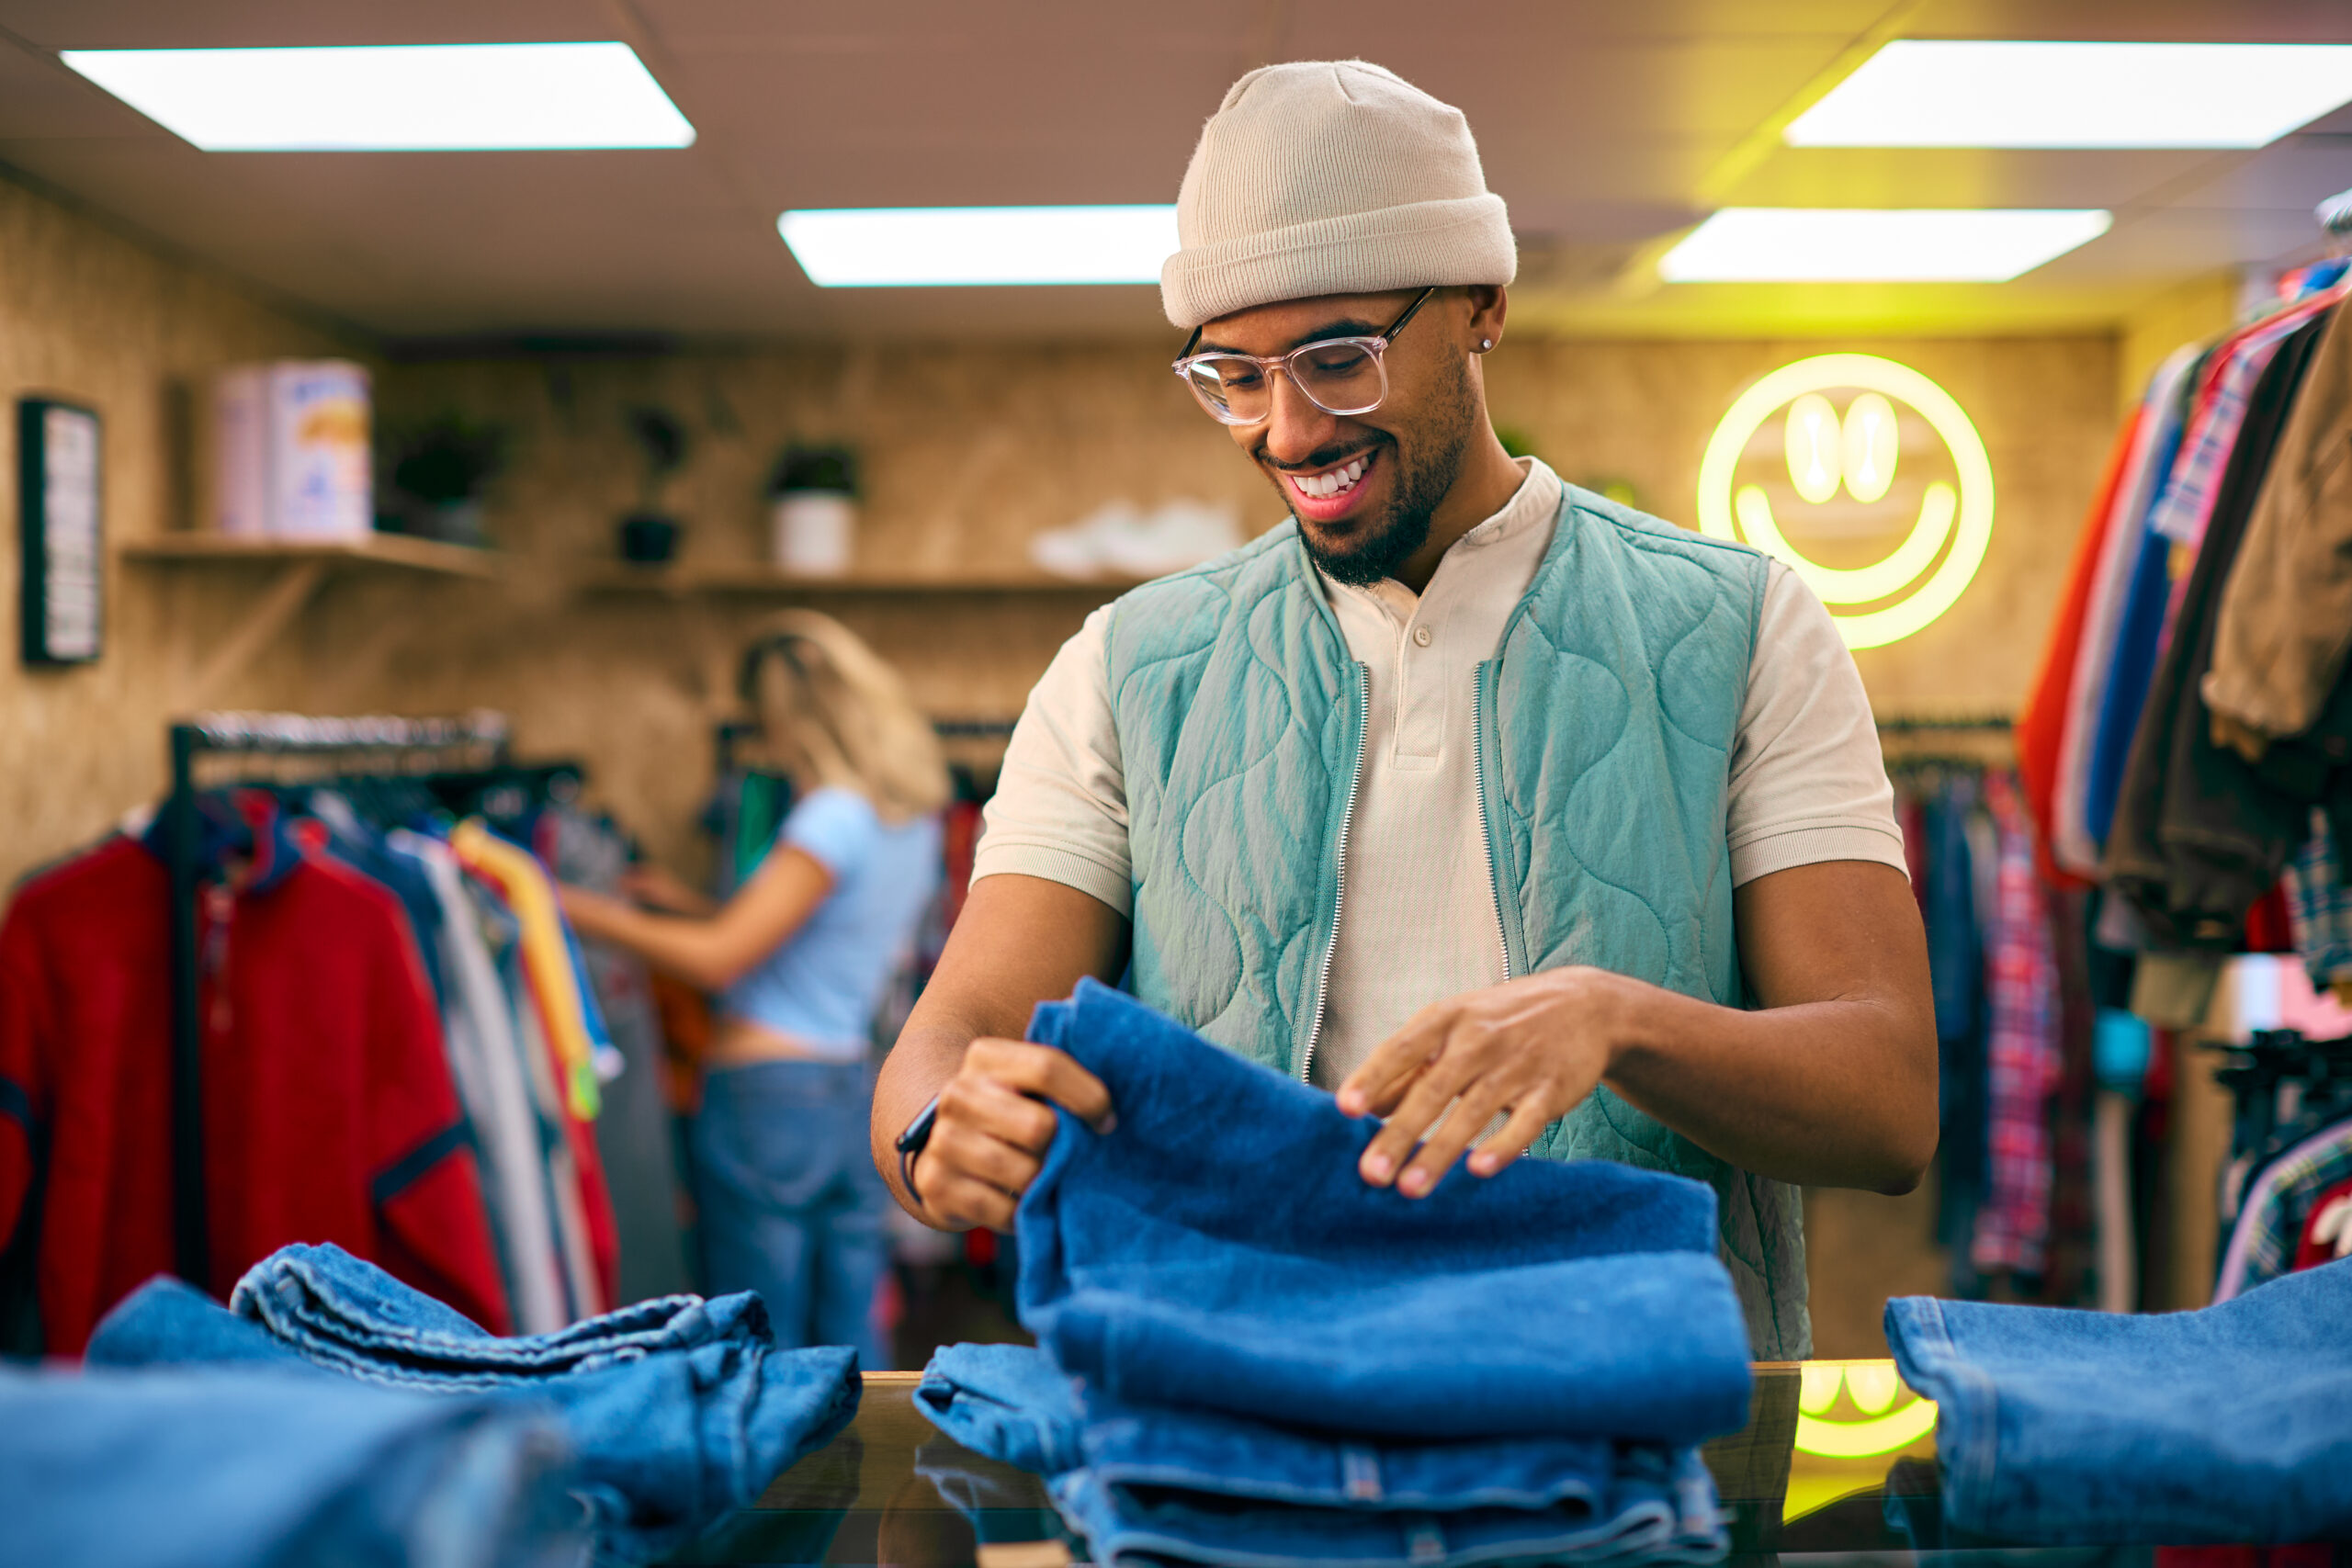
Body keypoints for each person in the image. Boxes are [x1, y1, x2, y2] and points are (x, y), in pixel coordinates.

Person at [871, 60, 1938, 1359]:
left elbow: (1887, 1101)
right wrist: (943, 1126)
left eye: (1338, 358)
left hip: (1625, 1436)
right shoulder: (1123, 666)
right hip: (1236, 1433)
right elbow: (956, 1029)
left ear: (1483, 304)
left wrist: (1619, 1018)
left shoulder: (1743, 624)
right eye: (1234, 377)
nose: (1289, 429)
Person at [561, 610, 946, 1368]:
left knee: (760, 1347)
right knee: (852, 1344)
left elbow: (717, 960)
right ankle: (862, 1484)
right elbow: (809, 932)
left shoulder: (829, 817)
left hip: (767, 1096)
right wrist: (681, 899)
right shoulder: (912, 817)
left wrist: (574, 906)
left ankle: (776, 1490)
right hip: (851, 1090)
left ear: (794, 718)